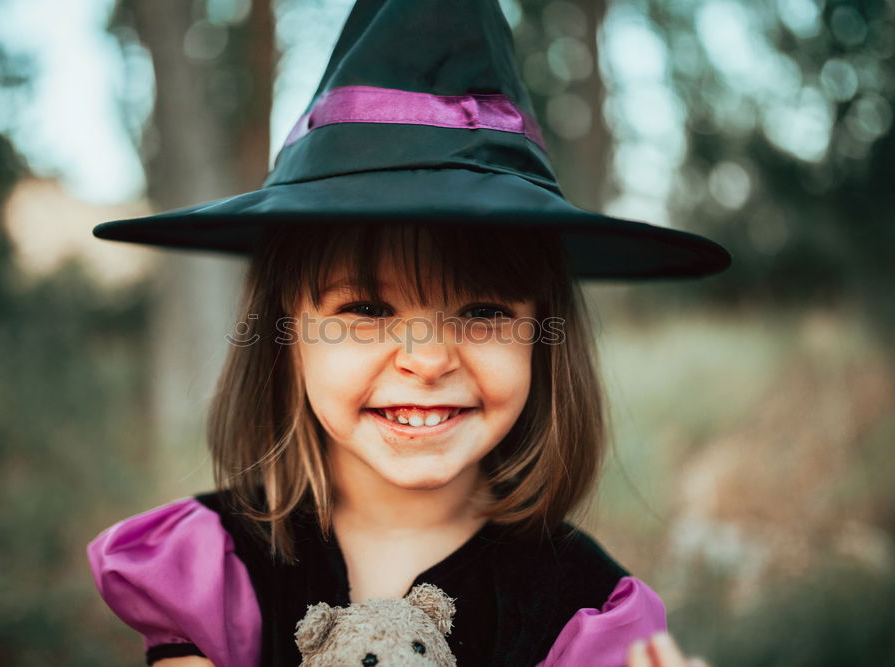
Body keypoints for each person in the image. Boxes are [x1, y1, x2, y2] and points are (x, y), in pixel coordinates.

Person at [86, 1, 730, 666]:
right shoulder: (217, 573)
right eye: (366, 308)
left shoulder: (581, 614)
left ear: (543, 332)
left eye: (483, 311)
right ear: (287, 335)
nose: (426, 358)